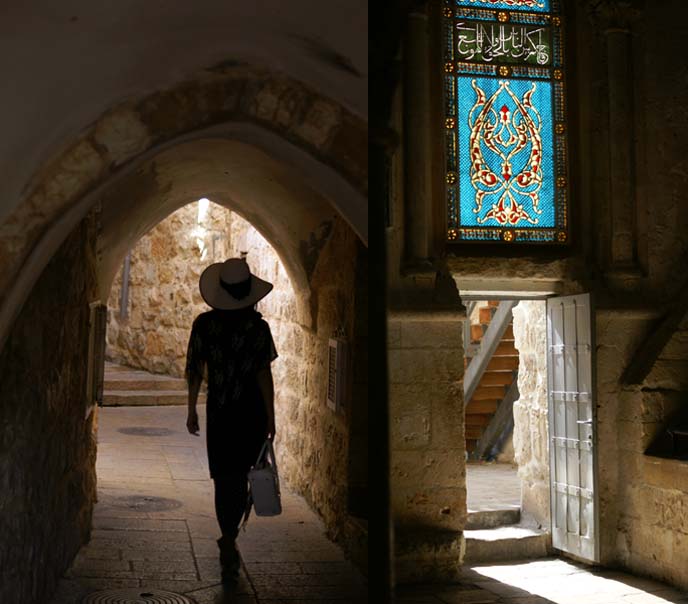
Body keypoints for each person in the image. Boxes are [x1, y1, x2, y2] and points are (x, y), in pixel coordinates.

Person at [185, 257, 277, 585]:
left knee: (224, 478)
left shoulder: (204, 325)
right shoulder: (258, 328)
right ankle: (229, 537)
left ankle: (227, 535)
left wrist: (192, 408)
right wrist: (270, 414)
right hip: (250, 412)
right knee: (241, 477)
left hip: (221, 412)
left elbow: (195, 369)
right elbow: (263, 372)